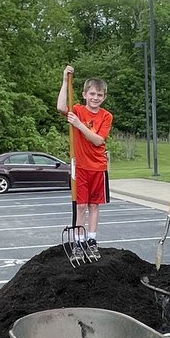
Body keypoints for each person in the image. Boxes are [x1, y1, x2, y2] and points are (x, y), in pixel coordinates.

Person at [57, 65, 113, 249]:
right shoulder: (78, 110)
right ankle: (79, 240)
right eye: (92, 94)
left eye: (99, 95)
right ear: (84, 95)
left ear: (104, 97)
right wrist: (65, 80)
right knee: (80, 206)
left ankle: (92, 239)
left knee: (94, 205)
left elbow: (98, 140)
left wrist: (78, 125)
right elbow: (60, 106)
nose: (95, 98)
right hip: (80, 166)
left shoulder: (106, 116)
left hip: (98, 167)